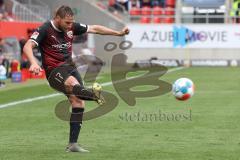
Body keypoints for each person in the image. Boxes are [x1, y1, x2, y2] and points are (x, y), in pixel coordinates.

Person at [23, 5, 130, 153]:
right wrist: (34, 62)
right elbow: (28, 45)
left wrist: (118, 33)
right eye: (67, 23)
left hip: (70, 68)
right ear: (57, 19)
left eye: (71, 22)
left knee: (78, 101)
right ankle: (93, 95)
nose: (70, 26)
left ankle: (73, 144)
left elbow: (96, 29)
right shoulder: (45, 29)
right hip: (54, 71)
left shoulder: (72, 26)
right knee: (73, 84)